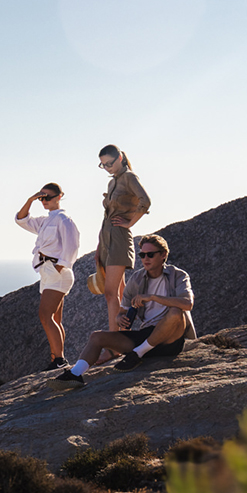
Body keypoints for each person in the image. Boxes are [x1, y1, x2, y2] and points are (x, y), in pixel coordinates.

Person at [55, 234, 195, 387]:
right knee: (97, 337)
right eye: (142, 255)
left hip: (170, 339)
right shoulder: (137, 279)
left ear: (163, 255)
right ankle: (75, 374)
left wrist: (152, 297)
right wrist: (120, 318)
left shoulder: (178, 275)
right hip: (146, 335)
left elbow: (187, 303)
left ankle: (137, 354)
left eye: (150, 254)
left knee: (176, 311)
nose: (145, 258)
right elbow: (122, 311)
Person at [15, 183, 80, 370]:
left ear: (60, 196)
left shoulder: (64, 219)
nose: (44, 200)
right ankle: (57, 358)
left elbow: (72, 245)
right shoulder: (45, 220)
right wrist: (30, 200)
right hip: (46, 272)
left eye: (48, 197)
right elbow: (22, 219)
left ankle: (59, 360)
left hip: (57, 272)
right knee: (55, 319)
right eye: (42, 197)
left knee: (45, 315)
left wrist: (60, 267)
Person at [96, 145, 151, 357]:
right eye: (103, 165)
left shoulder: (129, 177)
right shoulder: (113, 182)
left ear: (120, 157)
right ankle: (122, 339)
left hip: (119, 238)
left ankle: (113, 347)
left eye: (110, 163)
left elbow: (145, 201)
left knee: (111, 292)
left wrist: (129, 223)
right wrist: (99, 246)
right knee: (119, 293)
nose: (108, 168)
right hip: (106, 239)